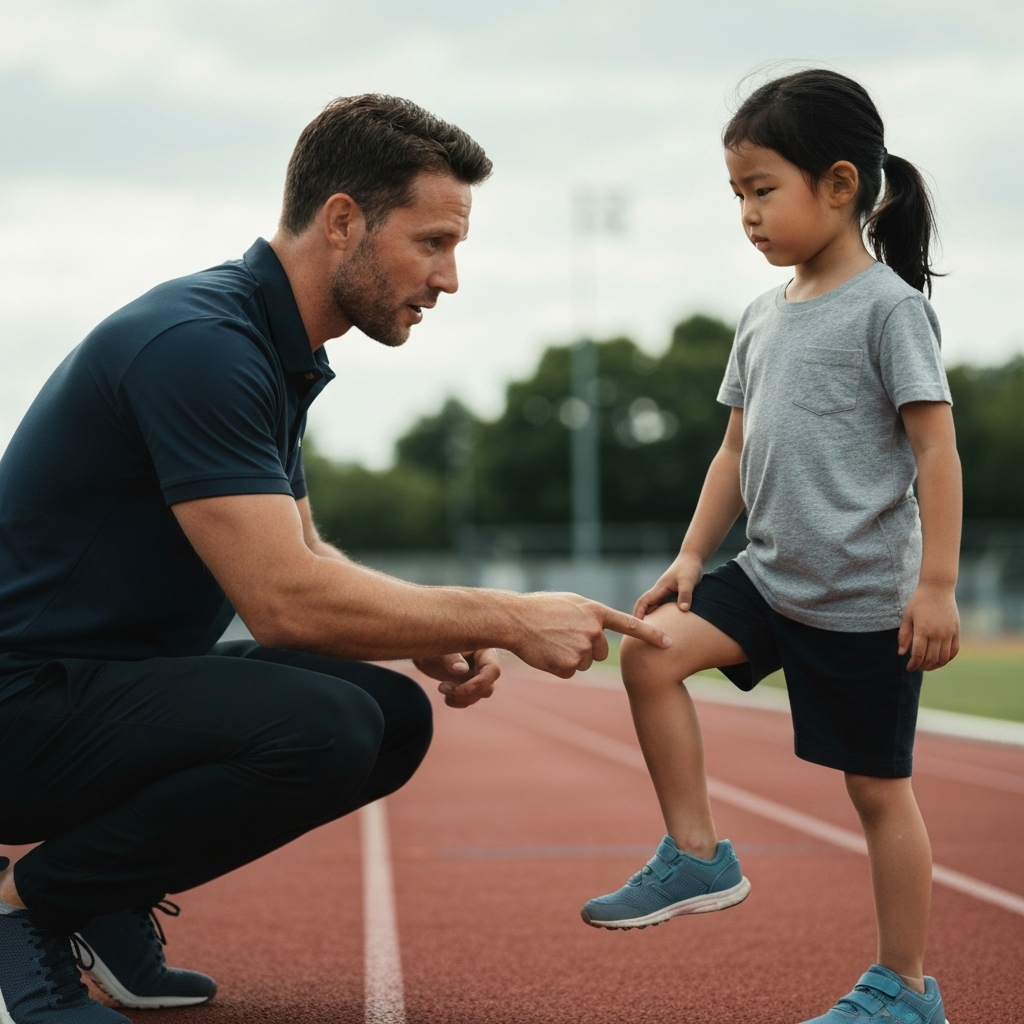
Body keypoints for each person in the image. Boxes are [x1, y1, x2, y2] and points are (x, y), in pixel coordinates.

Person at [0, 94, 673, 1024]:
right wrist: (507, 615)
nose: (450, 277)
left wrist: (425, 632)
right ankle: (26, 907)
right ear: (344, 220)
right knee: (323, 729)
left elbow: (308, 550)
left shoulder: (274, 349)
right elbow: (284, 602)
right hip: (21, 703)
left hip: (94, 689)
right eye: (433, 242)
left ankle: (102, 893)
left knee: (390, 715)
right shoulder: (201, 346)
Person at [580, 70, 958, 1024]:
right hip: (770, 577)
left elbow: (936, 450)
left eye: (762, 190)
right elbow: (734, 451)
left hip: (864, 599)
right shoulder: (761, 316)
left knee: (879, 794)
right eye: (737, 195)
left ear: (839, 185)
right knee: (651, 653)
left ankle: (906, 992)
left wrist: (939, 586)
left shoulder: (888, 309)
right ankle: (698, 854)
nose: (747, 213)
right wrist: (694, 557)